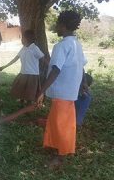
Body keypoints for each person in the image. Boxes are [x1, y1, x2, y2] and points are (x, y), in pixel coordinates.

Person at [36, 10, 86, 168]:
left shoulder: (62, 46)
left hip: (63, 92)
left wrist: (42, 90)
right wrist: (82, 84)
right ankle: (54, 146)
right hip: (68, 91)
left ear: (63, 26)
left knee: (62, 124)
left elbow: (56, 69)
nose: (55, 27)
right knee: (56, 121)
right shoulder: (76, 44)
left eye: (57, 24)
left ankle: (60, 155)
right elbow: (82, 66)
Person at [0, 30, 46, 104]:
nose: (21, 40)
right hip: (23, 73)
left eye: (23, 38)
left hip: (32, 75)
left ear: (29, 38)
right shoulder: (23, 48)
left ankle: (28, 108)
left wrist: (42, 69)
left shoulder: (35, 48)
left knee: (30, 93)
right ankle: (21, 103)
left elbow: (43, 59)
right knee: (21, 90)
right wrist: (4, 67)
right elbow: (15, 59)